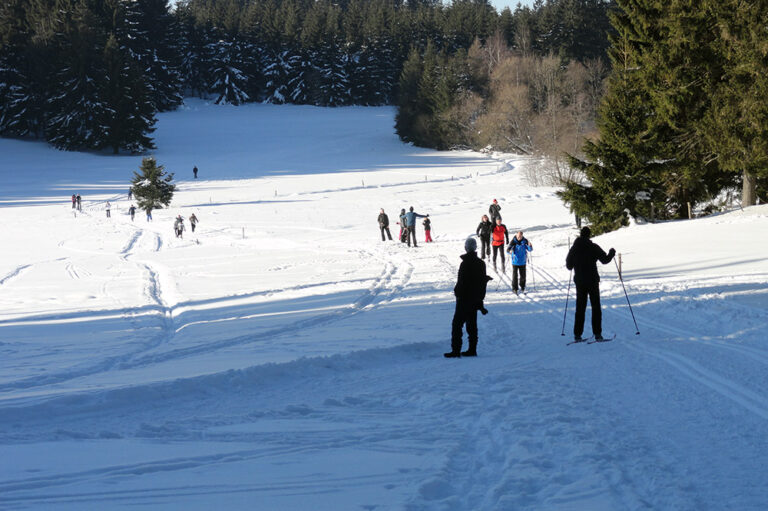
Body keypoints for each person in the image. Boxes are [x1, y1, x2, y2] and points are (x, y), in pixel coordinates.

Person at [565, 226, 616, 342]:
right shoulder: (593, 247)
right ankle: (597, 334)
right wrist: (612, 253)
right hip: (593, 281)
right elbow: (605, 260)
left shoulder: (574, 248)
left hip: (580, 282)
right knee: (596, 307)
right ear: (589, 235)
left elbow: (568, 266)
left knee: (580, 308)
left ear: (580, 235)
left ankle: (577, 335)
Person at [445, 237, 492, 358]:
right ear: (475, 248)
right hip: (475, 299)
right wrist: (480, 300)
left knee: (457, 324)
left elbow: (462, 282)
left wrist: (458, 293)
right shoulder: (481, 263)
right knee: (472, 325)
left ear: (466, 248)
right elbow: (481, 282)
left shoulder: (465, 263)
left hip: (464, 298)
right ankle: (472, 349)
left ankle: (456, 351)